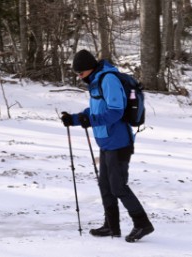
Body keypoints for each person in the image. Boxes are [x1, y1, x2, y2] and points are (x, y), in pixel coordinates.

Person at [61, 49, 154, 243]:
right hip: (105, 141)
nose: (79, 77)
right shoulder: (95, 82)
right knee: (105, 186)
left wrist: (89, 120)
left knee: (118, 186)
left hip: (119, 142)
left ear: (90, 68)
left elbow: (115, 112)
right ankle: (111, 226)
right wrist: (75, 119)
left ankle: (142, 224)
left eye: (80, 73)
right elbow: (95, 110)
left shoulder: (108, 79)